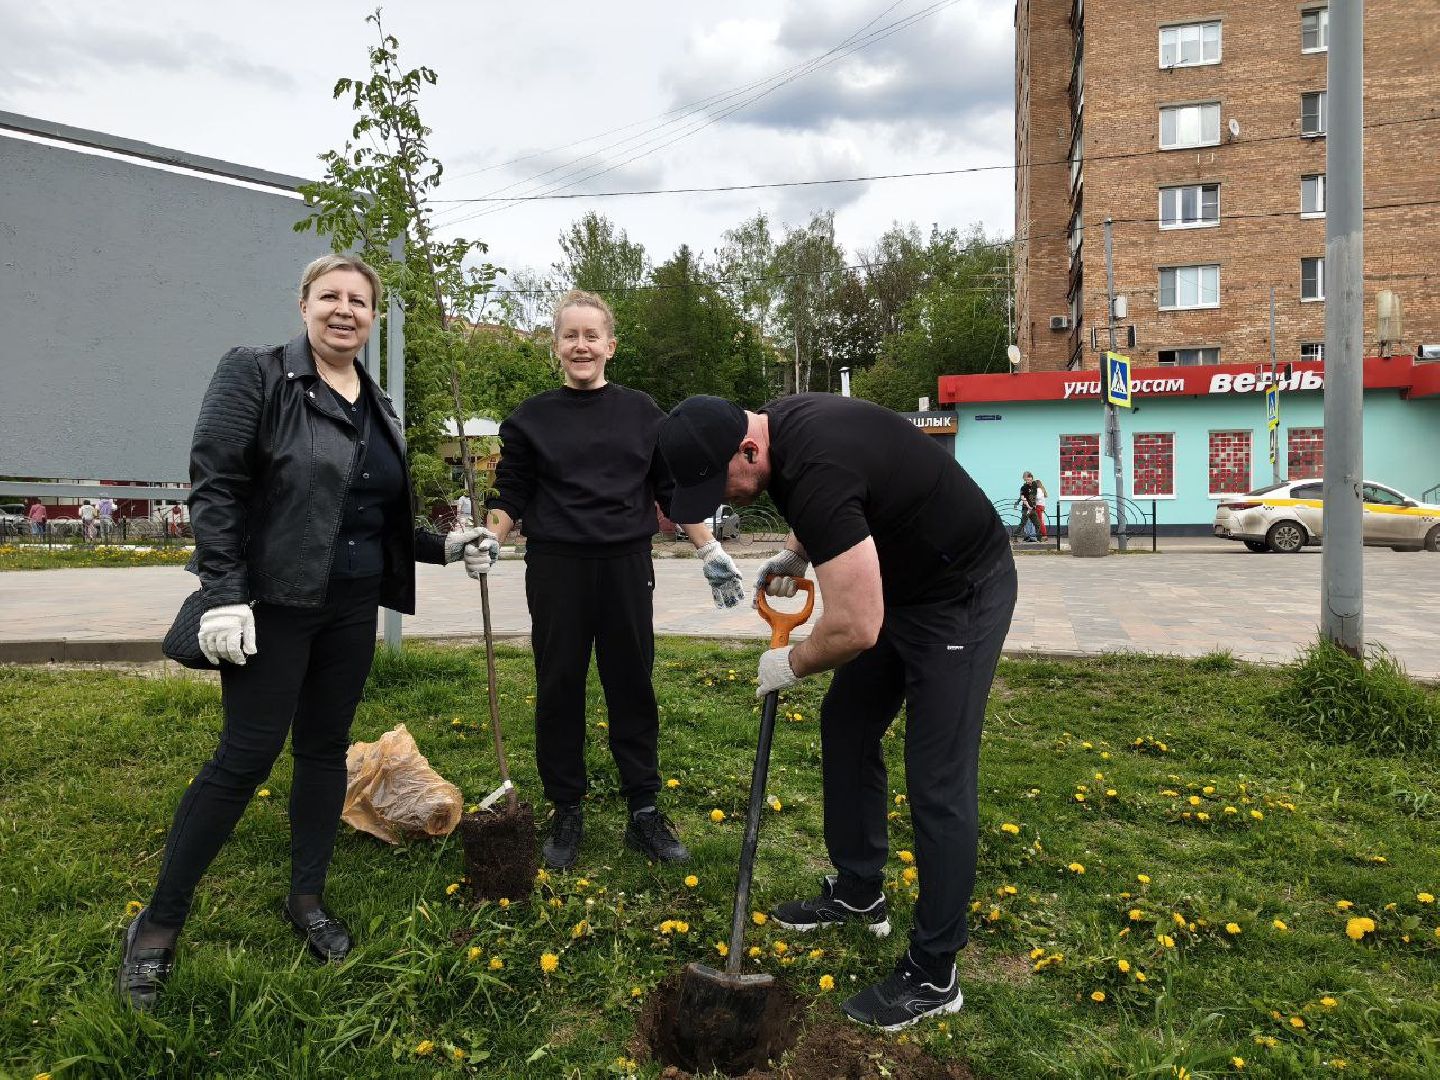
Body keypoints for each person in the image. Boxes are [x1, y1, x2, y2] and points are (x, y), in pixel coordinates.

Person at [116, 254, 493, 1012]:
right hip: (274, 604)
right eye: (330, 296)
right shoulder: (256, 374)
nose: (344, 310)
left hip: (352, 607)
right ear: (303, 305)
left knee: (324, 749)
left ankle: (307, 897)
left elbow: (374, 514)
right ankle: (156, 927)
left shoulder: (377, 402)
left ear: (373, 317)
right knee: (245, 756)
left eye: (359, 300)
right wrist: (225, 595)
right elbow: (217, 487)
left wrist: (446, 546)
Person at [658, 393, 1016, 1032]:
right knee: (847, 723)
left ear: (749, 449)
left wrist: (791, 664)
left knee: (937, 778)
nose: (722, 500)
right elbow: (836, 502)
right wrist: (797, 552)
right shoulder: (780, 435)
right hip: (902, 585)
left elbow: (855, 625)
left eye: (721, 485)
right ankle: (858, 891)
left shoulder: (815, 465)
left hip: (960, 593)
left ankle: (935, 972)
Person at [483, 289, 744, 872]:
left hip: (626, 565)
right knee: (559, 685)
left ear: (611, 346)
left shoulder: (644, 414)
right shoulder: (530, 419)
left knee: (631, 683)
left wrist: (708, 548)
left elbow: (670, 491)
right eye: (570, 336)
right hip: (556, 568)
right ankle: (566, 808)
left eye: (591, 336)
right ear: (556, 346)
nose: (581, 345)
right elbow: (512, 491)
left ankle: (643, 809)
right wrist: (490, 537)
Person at [1014, 474, 1039, 543]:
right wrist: (1028, 506)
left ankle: (1038, 538)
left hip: (1033, 509)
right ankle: (1015, 537)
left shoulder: (1034, 485)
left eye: (1030, 480)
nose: (1028, 481)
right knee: (1023, 523)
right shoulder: (1023, 487)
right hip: (1026, 509)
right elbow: (1022, 497)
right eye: (1027, 480)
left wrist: (1034, 505)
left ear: (1032, 479)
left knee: (1037, 524)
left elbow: (1034, 496)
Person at [1029, 473, 1049, 540]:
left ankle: (1044, 535)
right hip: (1041, 506)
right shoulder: (1041, 490)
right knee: (1040, 521)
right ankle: (1042, 535)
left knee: (1039, 521)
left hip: (1038, 506)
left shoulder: (1038, 490)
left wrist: (1032, 497)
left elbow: (1038, 497)